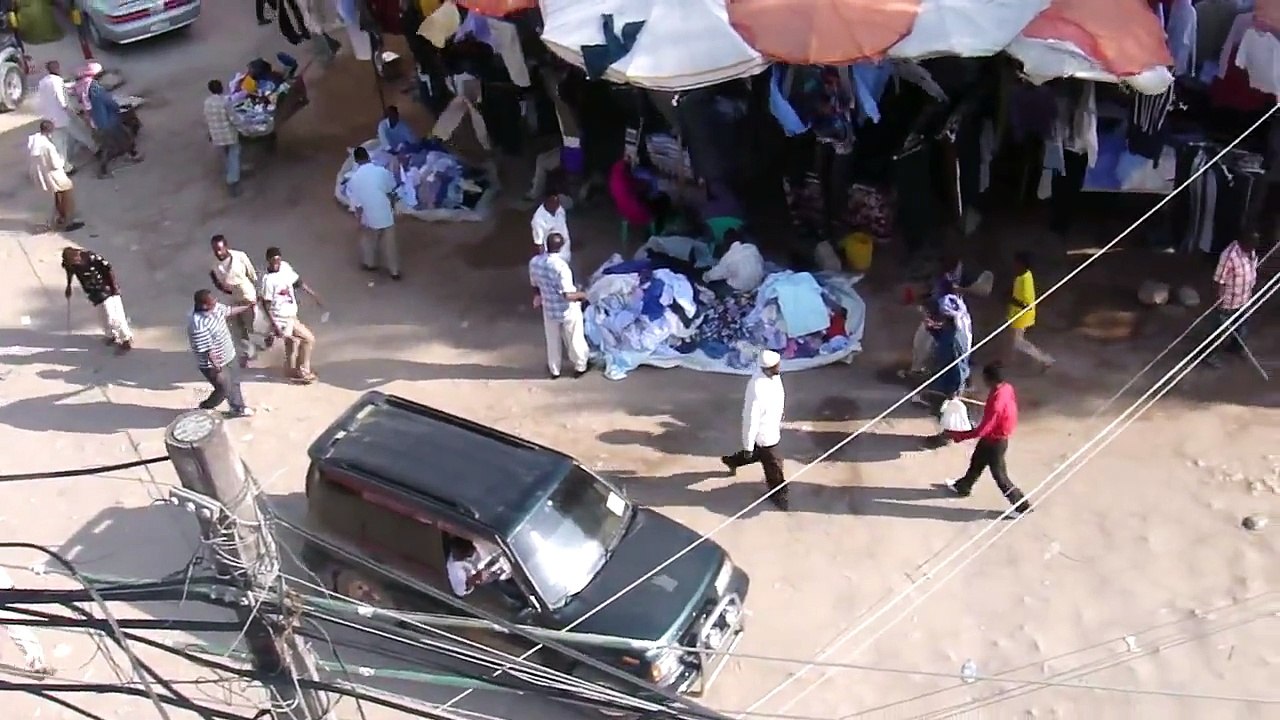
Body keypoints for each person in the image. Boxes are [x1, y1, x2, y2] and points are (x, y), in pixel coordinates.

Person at [944, 363, 1032, 517]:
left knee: (999, 475)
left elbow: (982, 429)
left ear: (989, 379)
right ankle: (963, 486)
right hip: (994, 437)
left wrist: (959, 435)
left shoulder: (996, 402)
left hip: (995, 441)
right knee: (977, 461)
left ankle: (1021, 505)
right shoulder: (1007, 388)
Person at [721, 350, 789, 511]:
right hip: (765, 435)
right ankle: (778, 493)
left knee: (756, 454)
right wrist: (748, 444)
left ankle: (733, 461)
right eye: (776, 366)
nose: (779, 367)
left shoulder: (774, 376)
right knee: (774, 464)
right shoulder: (757, 388)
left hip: (773, 427)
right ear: (768, 368)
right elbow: (750, 420)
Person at [528, 234, 589, 379]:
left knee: (552, 341)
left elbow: (534, 284)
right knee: (574, 338)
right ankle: (580, 366)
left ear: (546, 245)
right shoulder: (561, 267)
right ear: (561, 247)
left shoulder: (535, 262)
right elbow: (568, 295)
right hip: (567, 310)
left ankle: (554, 369)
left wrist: (537, 296)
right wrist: (584, 295)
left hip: (549, 308)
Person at [259, 247, 323, 384]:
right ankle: (303, 371)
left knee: (292, 343)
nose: (276, 263)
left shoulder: (285, 267)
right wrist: (274, 326)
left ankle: (289, 369)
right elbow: (266, 305)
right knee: (308, 339)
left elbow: (298, 283)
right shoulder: (268, 280)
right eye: (273, 260)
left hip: (291, 314)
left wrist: (313, 294)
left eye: (278, 259)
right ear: (268, 261)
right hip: (281, 318)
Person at [188, 289, 255, 417]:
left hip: (229, 355)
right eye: (212, 301)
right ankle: (205, 406)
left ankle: (238, 408)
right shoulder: (197, 323)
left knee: (234, 382)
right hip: (212, 364)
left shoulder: (216, 308)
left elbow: (229, 311)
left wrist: (247, 307)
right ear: (204, 306)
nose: (216, 302)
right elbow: (207, 349)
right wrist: (216, 365)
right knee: (223, 389)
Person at [1205, 230, 1259, 368]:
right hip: (1228, 302)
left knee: (1241, 328)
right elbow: (1218, 280)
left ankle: (1235, 348)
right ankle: (1210, 355)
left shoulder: (1251, 252)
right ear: (1242, 241)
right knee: (1218, 331)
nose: (1254, 246)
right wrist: (1218, 301)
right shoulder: (1229, 256)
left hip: (1244, 299)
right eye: (1252, 243)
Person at [345, 146, 401, 280]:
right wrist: (393, 207)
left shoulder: (354, 179)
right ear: (368, 157)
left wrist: (359, 221)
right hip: (385, 212)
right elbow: (391, 190)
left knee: (368, 240)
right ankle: (394, 272)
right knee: (390, 244)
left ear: (356, 161)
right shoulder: (381, 171)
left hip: (369, 216)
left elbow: (357, 205)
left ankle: (369, 263)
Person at [62, 247, 131, 353]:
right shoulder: (70, 265)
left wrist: (113, 287)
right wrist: (69, 285)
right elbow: (70, 272)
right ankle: (112, 335)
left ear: (77, 254)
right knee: (103, 316)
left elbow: (108, 269)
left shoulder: (91, 257)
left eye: (74, 258)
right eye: (71, 261)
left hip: (106, 288)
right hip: (93, 292)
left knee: (113, 315)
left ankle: (126, 338)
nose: (75, 261)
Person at [36, 60, 97, 173]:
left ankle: (65, 166)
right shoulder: (57, 81)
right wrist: (74, 112)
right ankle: (96, 149)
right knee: (81, 131)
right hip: (63, 116)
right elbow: (62, 102)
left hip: (49, 118)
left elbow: (42, 100)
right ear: (57, 69)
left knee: (59, 143)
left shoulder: (42, 82)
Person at [83, 63, 141, 177]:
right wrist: (119, 107)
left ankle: (133, 154)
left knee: (124, 138)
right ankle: (103, 170)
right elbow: (111, 104)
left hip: (101, 122)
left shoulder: (90, 87)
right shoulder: (99, 91)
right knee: (115, 144)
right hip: (109, 122)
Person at [209, 235, 258, 366]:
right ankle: (246, 354)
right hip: (231, 299)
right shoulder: (213, 264)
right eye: (215, 250)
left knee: (252, 325)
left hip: (247, 295)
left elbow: (251, 274)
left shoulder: (240, 256)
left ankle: (260, 347)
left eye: (220, 249)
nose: (218, 253)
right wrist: (226, 291)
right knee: (236, 328)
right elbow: (216, 282)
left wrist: (256, 292)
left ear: (226, 247)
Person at [29, 121, 82, 232]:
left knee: (57, 195)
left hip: (42, 174)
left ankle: (60, 218)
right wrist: (62, 161)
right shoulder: (48, 146)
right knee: (66, 195)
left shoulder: (34, 141)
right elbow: (56, 164)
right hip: (53, 174)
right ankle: (67, 222)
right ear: (50, 130)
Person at [1006, 252, 1053, 371]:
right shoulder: (1022, 276)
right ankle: (1010, 363)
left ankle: (1044, 359)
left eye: (1016, 263)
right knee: (1012, 340)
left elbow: (1025, 304)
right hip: (1015, 314)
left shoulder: (1025, 278)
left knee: (1018, 342)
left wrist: (1011, 299)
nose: (1014, 265)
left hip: (1021, 316)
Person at [445, 538, 522, 604]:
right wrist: (474, 580)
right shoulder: (456, 570)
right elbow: (460, 591)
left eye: (471, 551)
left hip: (503, 561)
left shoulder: (481, 543)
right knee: (502, 587)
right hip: (488, 575)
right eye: (468, 554)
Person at [203, 79, 241, 196]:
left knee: (224, 155)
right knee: (234, 155)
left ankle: (230, 173)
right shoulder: (226, 101)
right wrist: (243, 126)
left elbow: (207, 119)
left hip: (216, 135)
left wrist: (210, 132)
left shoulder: (207, 102)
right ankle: (232, 180)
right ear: (221, 88)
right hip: (228, 134)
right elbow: (233, 118)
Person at [531, 190, 571, 263]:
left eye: (558, 202)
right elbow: (539, 245)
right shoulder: (538, 219)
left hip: (565, 252)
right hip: (551, 257)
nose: (557, 205)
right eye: (554, 202)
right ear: (547, 201)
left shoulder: (559, 209)